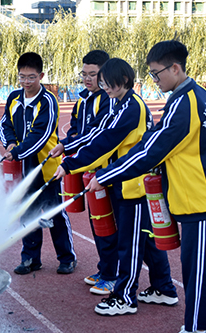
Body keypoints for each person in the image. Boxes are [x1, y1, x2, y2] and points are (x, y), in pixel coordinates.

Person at [86, 41, 206, 333]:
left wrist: (106, 175)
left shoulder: (185, 102)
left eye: (156, 73)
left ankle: (196, 328)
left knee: (197, 268)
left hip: (199, 196)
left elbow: (150, 151)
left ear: (175, 68)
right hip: (205, 191)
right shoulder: (191, 95)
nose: (154, 80)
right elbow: (154, 139)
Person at [54, 58, 178, 315]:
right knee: (146, 240)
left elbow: (105, 141)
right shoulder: (119, 103)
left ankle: (124, 297)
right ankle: (164, 288)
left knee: (129, 243)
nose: (104, 88)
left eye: (107, 83)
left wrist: (70, 165)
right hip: (128, 182)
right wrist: (70, 150)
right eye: (102, 83)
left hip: (133, 186)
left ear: (123, 81)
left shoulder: (131, 108)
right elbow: (99, 134)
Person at [0, 52, 77, 275]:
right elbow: (5, 124)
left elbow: (40, 135)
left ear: (41, 75)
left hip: (46, 167)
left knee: (54, 213)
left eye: (31, 77)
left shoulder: (48, 101)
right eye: (22, 77)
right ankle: (30, 258)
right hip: (22, 167)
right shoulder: (14, 98)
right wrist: (11, 144)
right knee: (27, 212)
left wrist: (18, 152)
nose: (26, 82)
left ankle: (67, 257)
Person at [50, 50, 119, 295]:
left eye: (93, 74)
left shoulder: (109, 100)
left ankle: (114, 275)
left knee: (110, 225)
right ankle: (105, 269)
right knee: (97, 222)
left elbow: (96, 134)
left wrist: (68, 146)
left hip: (109, 173)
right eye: (84, 74)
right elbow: (76, 131)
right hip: (89, 172)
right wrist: (65, 142)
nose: (87, 79)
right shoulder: (82, 101)